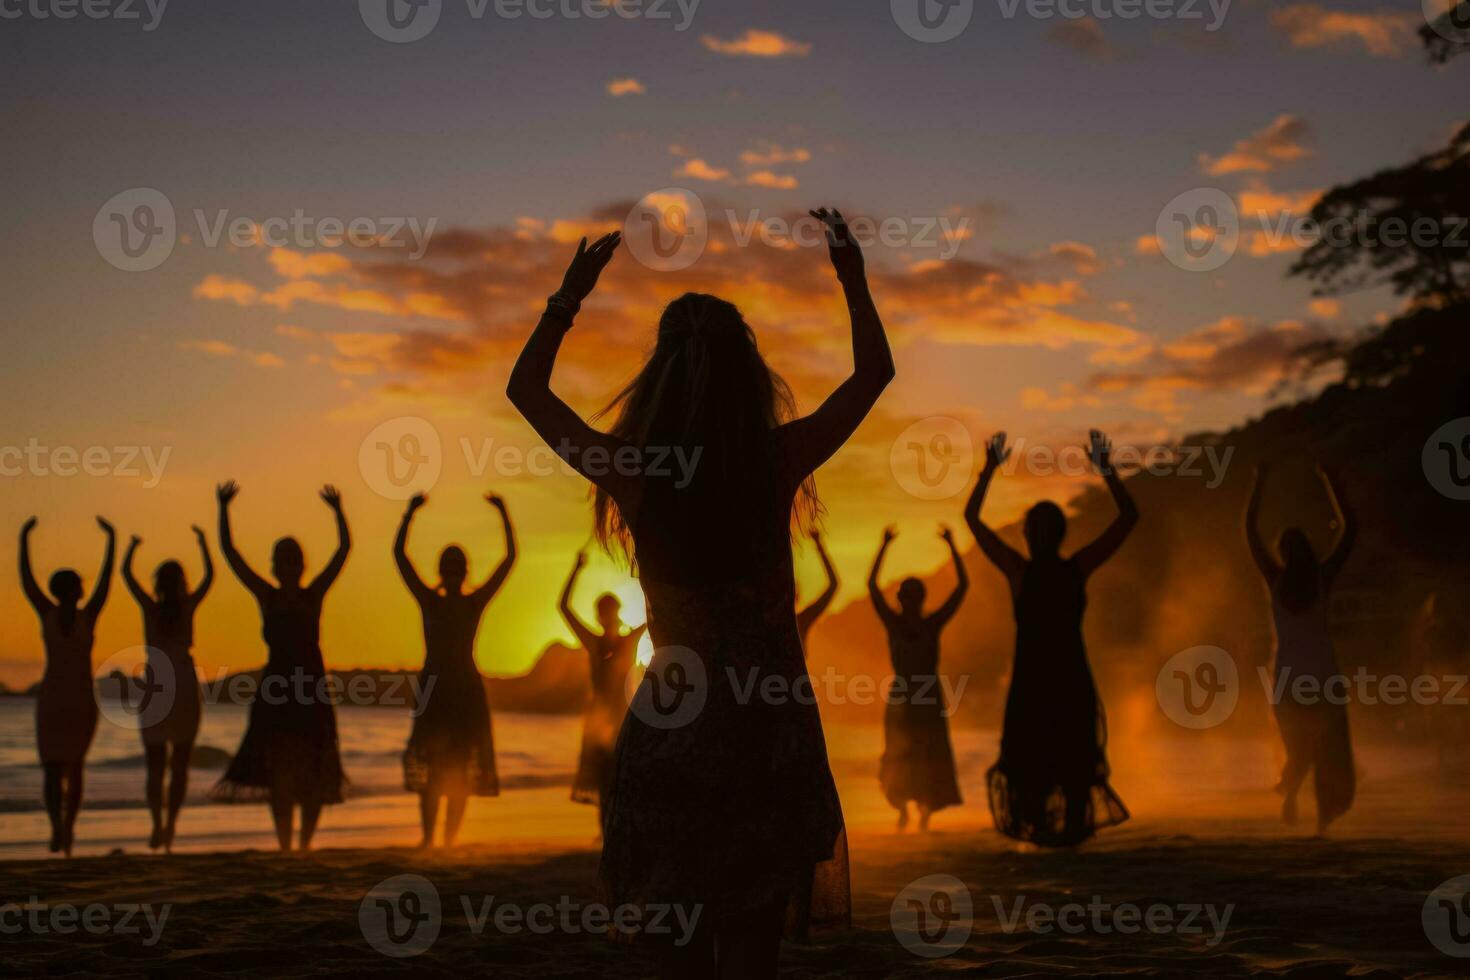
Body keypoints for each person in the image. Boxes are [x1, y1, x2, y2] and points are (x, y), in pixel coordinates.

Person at [507, 208, 893, 979]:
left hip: (674, 721)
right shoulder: (776, 460)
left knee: (675, 931)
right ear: (748, 373)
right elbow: (873, 376)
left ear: (660, 374)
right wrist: (852, 281)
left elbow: (528, 392)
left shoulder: (638, 474)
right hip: (767, 723)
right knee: (749, 938)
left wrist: (567, 297)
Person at [966, 430, 1135, 847]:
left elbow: (973, 520)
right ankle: (1071, 855)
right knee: (1073, 770)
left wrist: (988, 472)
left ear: (1030, 535)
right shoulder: (1076, 568)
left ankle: (1046, 858)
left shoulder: (1019, 571)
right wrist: (1106, 469)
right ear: (1060, 534)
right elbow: (1128, 517)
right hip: (1070, 679)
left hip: (1033, 685)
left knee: (1034, 773)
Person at [209, 482, 350, 852]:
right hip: (276, 690)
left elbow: (343, 551)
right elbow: (230, 553)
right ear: (274, 565)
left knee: (314, 769)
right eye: (281, 559)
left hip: (311, 688)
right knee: (281, 773)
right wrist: (223, 509)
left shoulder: (312, 595)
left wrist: (337, 512)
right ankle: (286, 844)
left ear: (301, 564)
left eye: (292, 559)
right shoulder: (266, 596)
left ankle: (305, 843)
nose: (287, 564)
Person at [394, 491, 515, 848]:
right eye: (446, 567)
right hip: (433, 689)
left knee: (460, 767)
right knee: (432, 765)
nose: (451, 572)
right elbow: (400, 557)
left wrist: (504, 515)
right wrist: (408, 514)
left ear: (464, 571)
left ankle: (449, 840)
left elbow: (509, 560)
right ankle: (429, 838)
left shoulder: (474, 602)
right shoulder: (428, 599)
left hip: (465, 691)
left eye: (456, 567)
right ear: (440, 570)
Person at [1246, 462, 1357, 833]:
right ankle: (1322, 821)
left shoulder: (1275, 579)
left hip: (1289, 676)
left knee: (1297, 743)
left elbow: (1250, 533)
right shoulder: (1322, 578)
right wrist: (1332, 484)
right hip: (1323, 674)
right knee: (1327, 746)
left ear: (1283, 553)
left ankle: (1292, 790)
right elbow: (1350, 530)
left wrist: (1259, 485)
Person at [20, 516, 115, 857]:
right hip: (73, 699)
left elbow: (27, 581)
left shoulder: (52, 612)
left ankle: (60, 828)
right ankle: (65, 829)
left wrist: (23, 540)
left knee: (55, 768)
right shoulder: (83, 615)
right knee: (71, 768)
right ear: (74, 590)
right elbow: (105, 583)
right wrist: (112, 542)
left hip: (60, 698)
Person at [867, 524, 968, 831]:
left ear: (921, 598)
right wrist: (883, 545)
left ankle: (925, 809)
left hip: (927, 693)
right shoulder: (893, 623)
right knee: (897, 751)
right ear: (900, 599)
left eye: (914, 596)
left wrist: (952, 546)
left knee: (929, 750)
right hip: (902, 694)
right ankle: (902, 808)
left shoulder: (932, 623)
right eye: (905, 596)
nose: (910, 601)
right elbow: (872, 586)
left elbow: (962, 587)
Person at [121, 527, 213, 851]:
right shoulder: (180, 607)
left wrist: (132, 547)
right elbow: (210, 577)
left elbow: (126, 575)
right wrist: (203, 545)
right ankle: (168, 825)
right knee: (177, 762)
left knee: (157, 762)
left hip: (159, 683)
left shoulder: (153, 609)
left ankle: (160, 823)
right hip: (180, 683)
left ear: (159, 584)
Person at [560, 551, 647, 824]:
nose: (606, 615)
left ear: (616, 612)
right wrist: (575, 569)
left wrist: (644, 573)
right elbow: (563, 607)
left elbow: (655, 612)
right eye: (602, 611)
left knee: (623, 778)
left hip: (623, 717)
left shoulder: (630, 640)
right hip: (597, 719)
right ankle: (605, 831)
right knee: (602, 778)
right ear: (599, 616)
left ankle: (615, 829)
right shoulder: (594, 643)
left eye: (609, 610)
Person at [796, 530, 839, 651]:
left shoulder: (802, 620)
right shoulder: (802, 620)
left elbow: (834, 585)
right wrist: (819, 544)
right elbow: (834, 585)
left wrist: (819, 545)